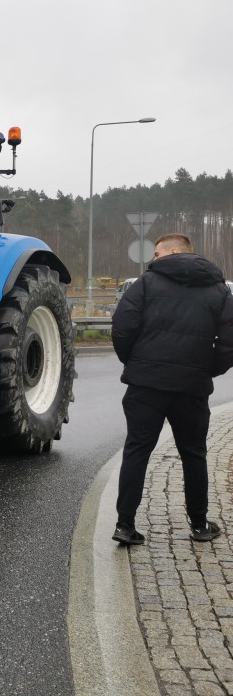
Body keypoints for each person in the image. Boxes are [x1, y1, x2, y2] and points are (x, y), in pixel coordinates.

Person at [111, 233, 233, 545]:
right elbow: (229, 344)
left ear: (173, 251)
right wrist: (206, 370)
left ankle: (125, 525)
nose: (153, 258)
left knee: (137, 450)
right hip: (191, 388)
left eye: (156, 253)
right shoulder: (219, 289)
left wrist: (136, 363)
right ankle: (200, 526)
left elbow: (123, 326)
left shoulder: (147, 283)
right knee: (194, 454)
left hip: (145, 385)